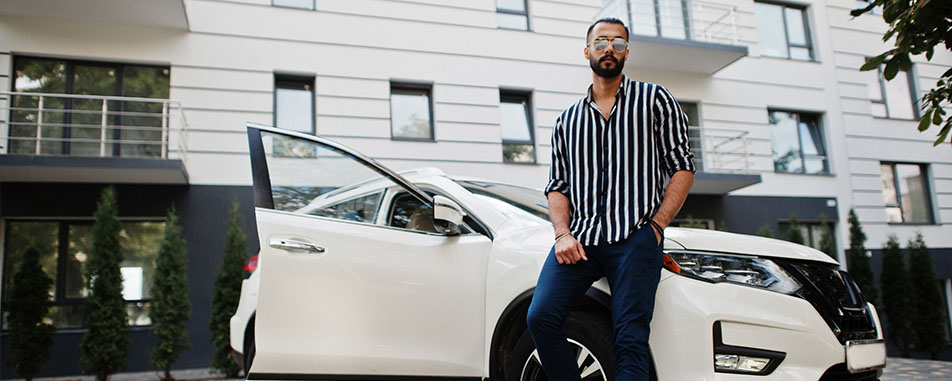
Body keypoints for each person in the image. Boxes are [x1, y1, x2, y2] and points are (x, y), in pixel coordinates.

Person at [525, 17, 696, 381]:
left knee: (630, 338)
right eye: (601, 42)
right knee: (541, 317)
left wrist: (656, 227)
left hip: (635, 238)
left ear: (626, 53)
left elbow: (682, 167)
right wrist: (562, 234)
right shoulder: (567, 121)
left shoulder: (655, 100)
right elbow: (558, 186)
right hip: (581, 241)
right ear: (587, 50)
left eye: (618, 43)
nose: (609, 49)